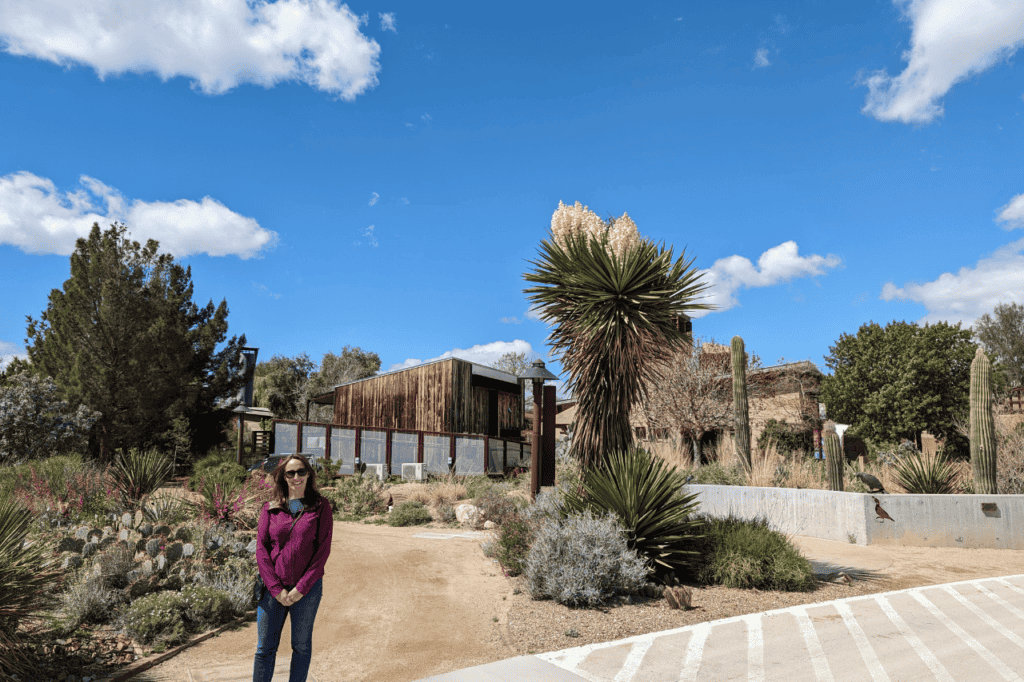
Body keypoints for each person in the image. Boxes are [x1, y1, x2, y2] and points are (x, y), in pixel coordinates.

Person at [253, 454, 333, 682]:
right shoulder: (270, 508)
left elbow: (322, 551)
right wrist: (276, 589)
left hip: (306, 591)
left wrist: (301, 588)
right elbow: (261, 550)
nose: (296, 477)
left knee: (301, 647)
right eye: (291, 473)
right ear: (283, 477)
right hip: (272, 590)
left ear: (309, 474)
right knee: (265, 649)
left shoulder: (320, 507)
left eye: (301, 471)